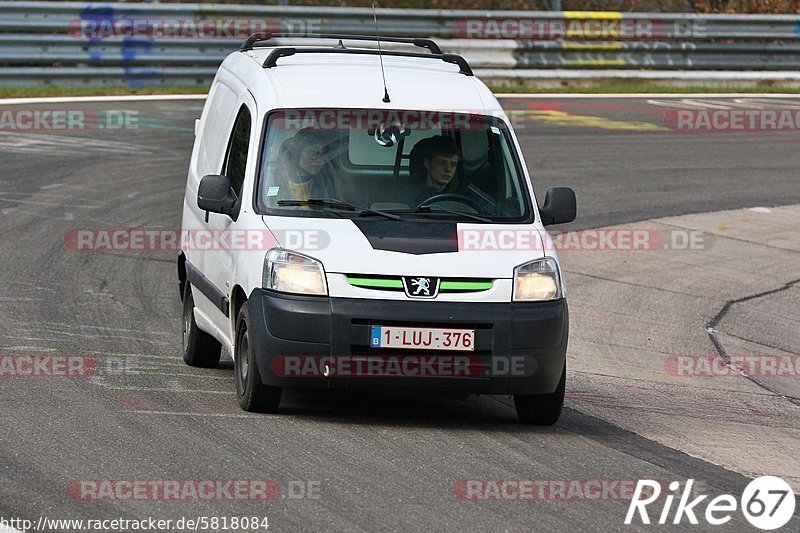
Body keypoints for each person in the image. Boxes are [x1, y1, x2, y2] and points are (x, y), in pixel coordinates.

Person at [275, 128, 338, 201]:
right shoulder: (278, 181)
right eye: (313, 153)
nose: (319, 160)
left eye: (323, 154)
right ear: (297, 154)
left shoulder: (330, 183)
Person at [399, 135, 462, 207]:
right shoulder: (405, 197)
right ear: (427, 163)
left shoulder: (461, 199)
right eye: (441, 163)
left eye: (453, 164)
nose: (448, 169)